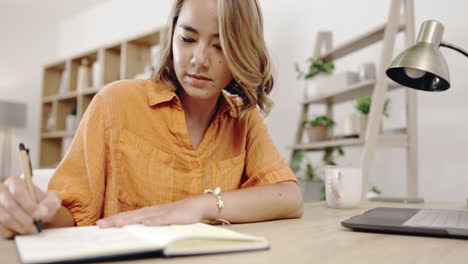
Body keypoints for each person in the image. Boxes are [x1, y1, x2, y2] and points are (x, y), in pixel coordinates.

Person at [0, 0, 303, 239]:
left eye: (220, 46)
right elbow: (73, 214)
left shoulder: (243, 120)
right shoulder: (114, 103)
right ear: (171, 35)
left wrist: (199, 206)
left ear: (242, 51)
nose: (198, 58)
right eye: (187, 38)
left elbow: (288, 197)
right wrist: (35, 211)